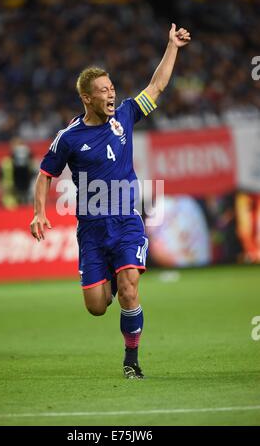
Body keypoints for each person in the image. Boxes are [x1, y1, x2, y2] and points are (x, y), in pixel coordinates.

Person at [30, 23, 191, 378]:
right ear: (86, 97)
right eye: (103, 90)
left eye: (112, 87)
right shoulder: (69, 138)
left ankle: (131, 361)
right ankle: (112, 284)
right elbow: (45, 175)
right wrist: (39, 212)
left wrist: (172, 47)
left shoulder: (126, 115)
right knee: (97, 306)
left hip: (126, 219)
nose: (111, 94)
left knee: (130, 287)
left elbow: (157, 86)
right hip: (91, 228)